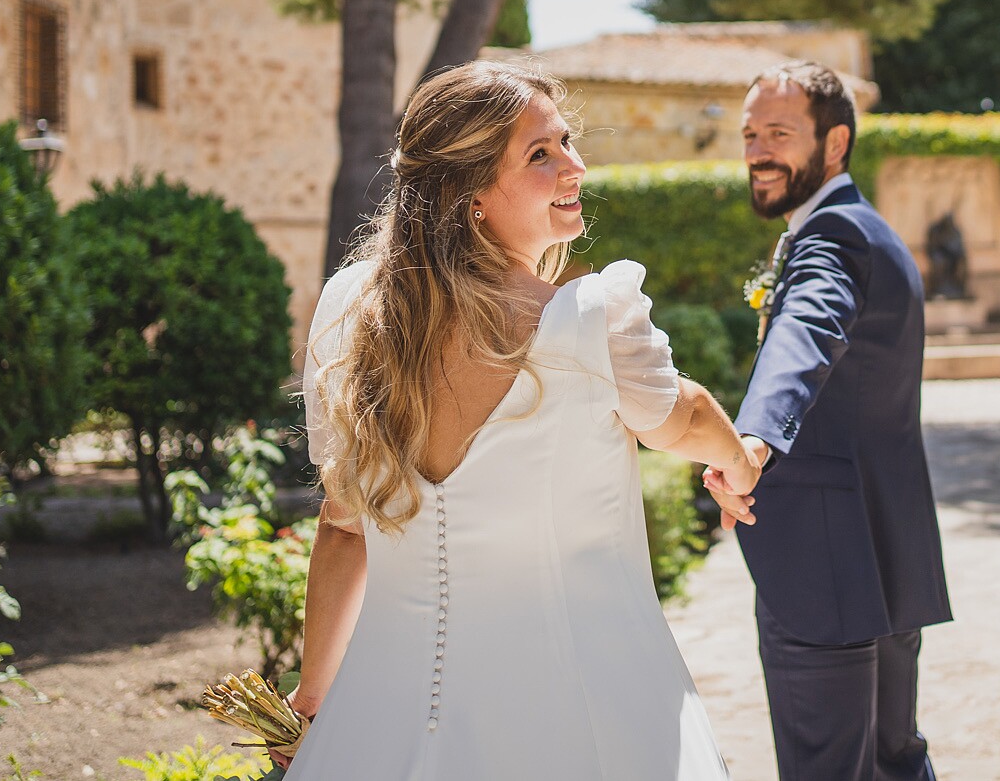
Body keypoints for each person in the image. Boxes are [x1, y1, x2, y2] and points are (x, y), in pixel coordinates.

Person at [282, 61, 765, 779]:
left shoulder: (354, 316)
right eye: (540, 153)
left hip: (377, 725)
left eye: (566, 141)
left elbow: (343, 523)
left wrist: (314, 694)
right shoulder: (588, 319)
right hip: (589, 715)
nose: (575, 165)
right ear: (469, 194)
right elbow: (683, 415)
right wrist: (739, 460)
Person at [705, 61, 953, 781]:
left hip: (823, 568)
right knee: (893, 760)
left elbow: (806, 330)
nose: (757, 150)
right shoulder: (870, 230)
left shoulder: (835, 238)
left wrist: (751, 439)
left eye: (779, 133)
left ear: (835, 142)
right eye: (751, 133)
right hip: (881, 555)